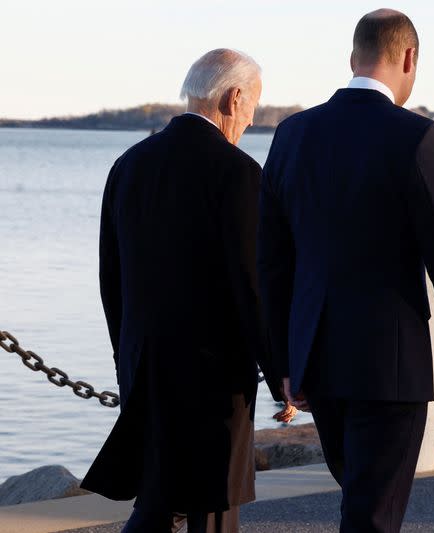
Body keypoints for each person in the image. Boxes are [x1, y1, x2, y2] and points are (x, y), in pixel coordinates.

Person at [258, 9, 434, 533]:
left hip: (316, 364)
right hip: (389, 370)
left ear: (353, 58)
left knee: (361, 507)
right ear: (409, 58)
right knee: (373, 518)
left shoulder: (291, 135)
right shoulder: (417, 137)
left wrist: (284, 363)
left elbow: (272, 263)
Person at [81, 48, 293, 533]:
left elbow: (110, 277)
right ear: (234, 97)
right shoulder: (238, 173)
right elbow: (251, 284)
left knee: (157, 501)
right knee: (212, 510)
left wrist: (126, 357)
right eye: (254, 106)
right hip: (213, 378)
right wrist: (281, 369)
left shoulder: (129, 164)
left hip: (145, 364)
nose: (251, 118)